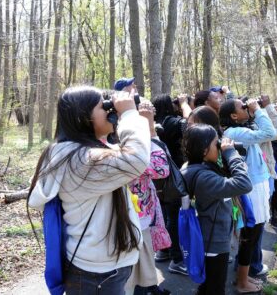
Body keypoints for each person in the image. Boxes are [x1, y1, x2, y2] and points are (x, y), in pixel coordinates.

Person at [28, 86, 150, 294]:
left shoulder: (73, 153)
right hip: (98, 275)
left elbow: (120, 154)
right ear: (83, 118)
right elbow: (136, 159)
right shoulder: (79, 161)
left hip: (98, 269)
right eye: (104, 107)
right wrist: (129, 113)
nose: (110, 110)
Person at [181, 124, 252, 295]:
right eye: (216, 144)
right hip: (212, 243)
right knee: (215, 288)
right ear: (205, 150)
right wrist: (231, 153)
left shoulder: (193, 167)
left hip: (207, 238)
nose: (219, 147)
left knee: (207, 286)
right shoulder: (204, 177)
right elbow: (244, 183)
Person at [219, 98, 276, 293]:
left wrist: (254, 112)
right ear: (234, 116)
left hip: (255, 185)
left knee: (254, 233)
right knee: (250, 234)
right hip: (251, 189)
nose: (247, 108)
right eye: (243, 107)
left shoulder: (238, 130)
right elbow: (270, 133)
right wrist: (258, 109)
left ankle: (244, 277)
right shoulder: (235, 132)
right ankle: (242, 282)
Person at [127, 101, 172, 295]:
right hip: (133, 219)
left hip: (139, 215)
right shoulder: (125, 146)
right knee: (134, 275)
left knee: (142, 270)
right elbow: (162, 167)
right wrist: (149, 129)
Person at [152, 94, 189, 275]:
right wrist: (184, 105)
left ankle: (163, 249)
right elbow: (190, 125)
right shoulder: (174, 122)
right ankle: (177, 259)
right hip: (173, 174)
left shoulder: (151, 125)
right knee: (173, 216)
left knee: (163, 214)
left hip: (156, 176)